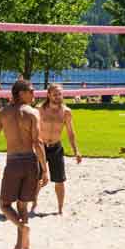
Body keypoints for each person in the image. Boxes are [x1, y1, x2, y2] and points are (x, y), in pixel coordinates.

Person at [0, 79, 49, 249]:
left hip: (14, 162)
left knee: (5, 205)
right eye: (31, 90)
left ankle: (21, 231)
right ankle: (21, 243)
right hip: (30, 162)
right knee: (22, 206)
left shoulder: (3, 113)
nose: (34, 93)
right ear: (20, 93)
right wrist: (44, 168)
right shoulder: (33, 113)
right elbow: (37, 142)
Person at [37, 83, 82, 215]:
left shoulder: (66, 112)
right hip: (41, 147)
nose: (58, 96)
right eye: (55, 94)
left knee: (60, 180)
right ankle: (33, 203)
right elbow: (32, 129)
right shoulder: (40, 109)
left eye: (60, 94)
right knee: (36, 178)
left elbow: (70, 133)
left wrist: (76, 151)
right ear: (49, 95)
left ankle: (60, 209)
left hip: (56, 147)